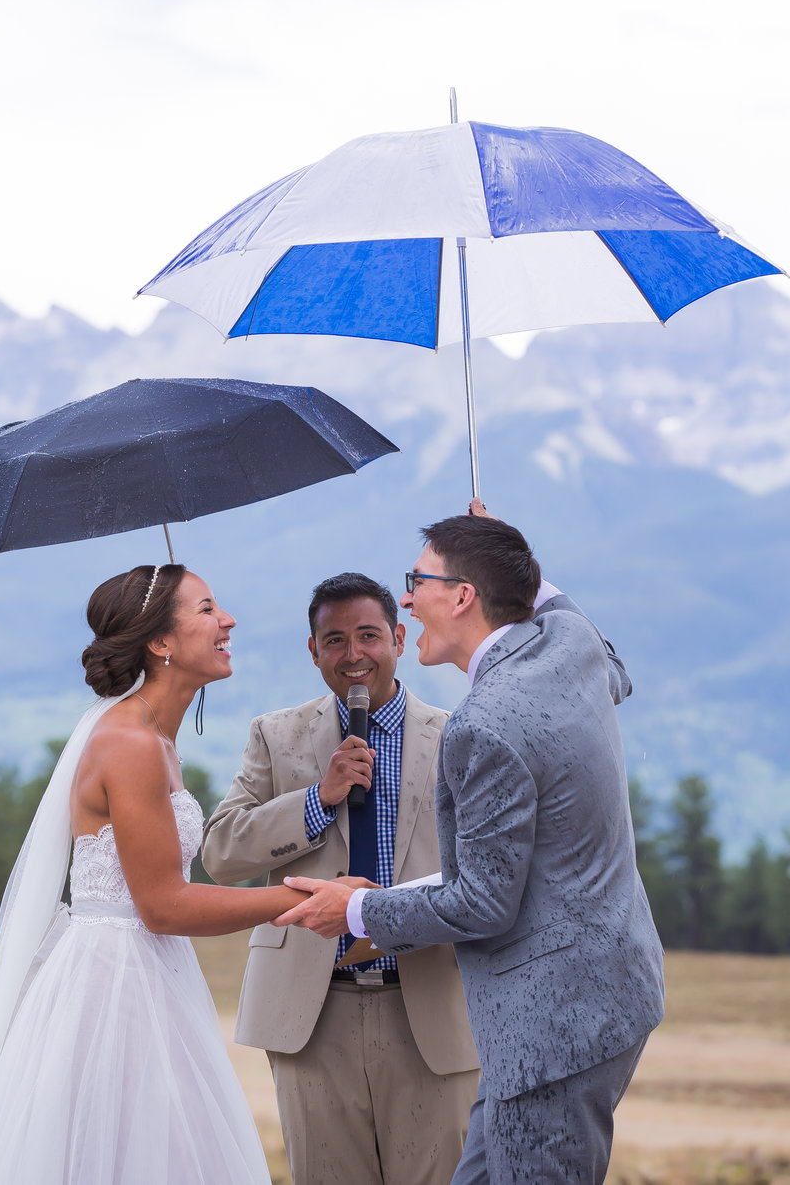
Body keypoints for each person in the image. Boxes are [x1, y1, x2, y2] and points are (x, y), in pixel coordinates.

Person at [277, 508, 665, 1185]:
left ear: (461, 597)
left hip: (552, 1030)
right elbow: (598, 648)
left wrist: (357, 914)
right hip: (606, 997)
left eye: (417, 580)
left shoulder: (482, 726)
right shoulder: (571, 645)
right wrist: (506, 555)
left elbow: (484, 902)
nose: (404, 598)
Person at [0, 562, 311, 1185]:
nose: (227, 620)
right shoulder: (131, 744)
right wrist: (297, 898)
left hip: (151, 973)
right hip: (114, 989)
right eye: (205, 609)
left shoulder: (157, 738)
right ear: (161, 643)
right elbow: (163, 906)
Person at [201, 572, 481, 1185]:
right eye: (334, 640)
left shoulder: (461, 735)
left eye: (368, 636)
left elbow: (485, 873)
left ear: (400, 640)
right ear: (313, 652)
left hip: (432, 1005)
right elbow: (219, 851)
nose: (352, 655)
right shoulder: (276, 736)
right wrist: (315, 800)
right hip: (312, 1012)